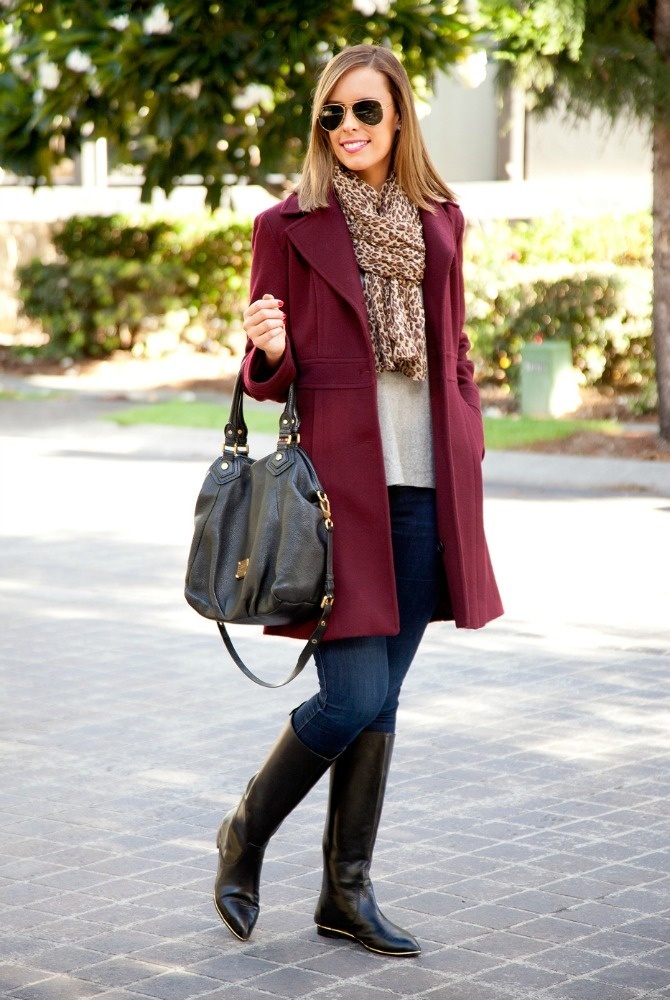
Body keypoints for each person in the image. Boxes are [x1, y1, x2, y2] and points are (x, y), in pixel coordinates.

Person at [213, 43, 503, 957]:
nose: (348, 127)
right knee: (351, 698)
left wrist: (468, 428)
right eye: (332, 114)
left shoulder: (441, 220)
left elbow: (455, 349)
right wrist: (266, 348)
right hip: (337, 500)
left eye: (365, 110)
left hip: (428, 489)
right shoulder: (287, 225)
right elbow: (267, 379)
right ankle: (244, 833)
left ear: (399, 116)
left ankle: (346, 892)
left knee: (383, 699)